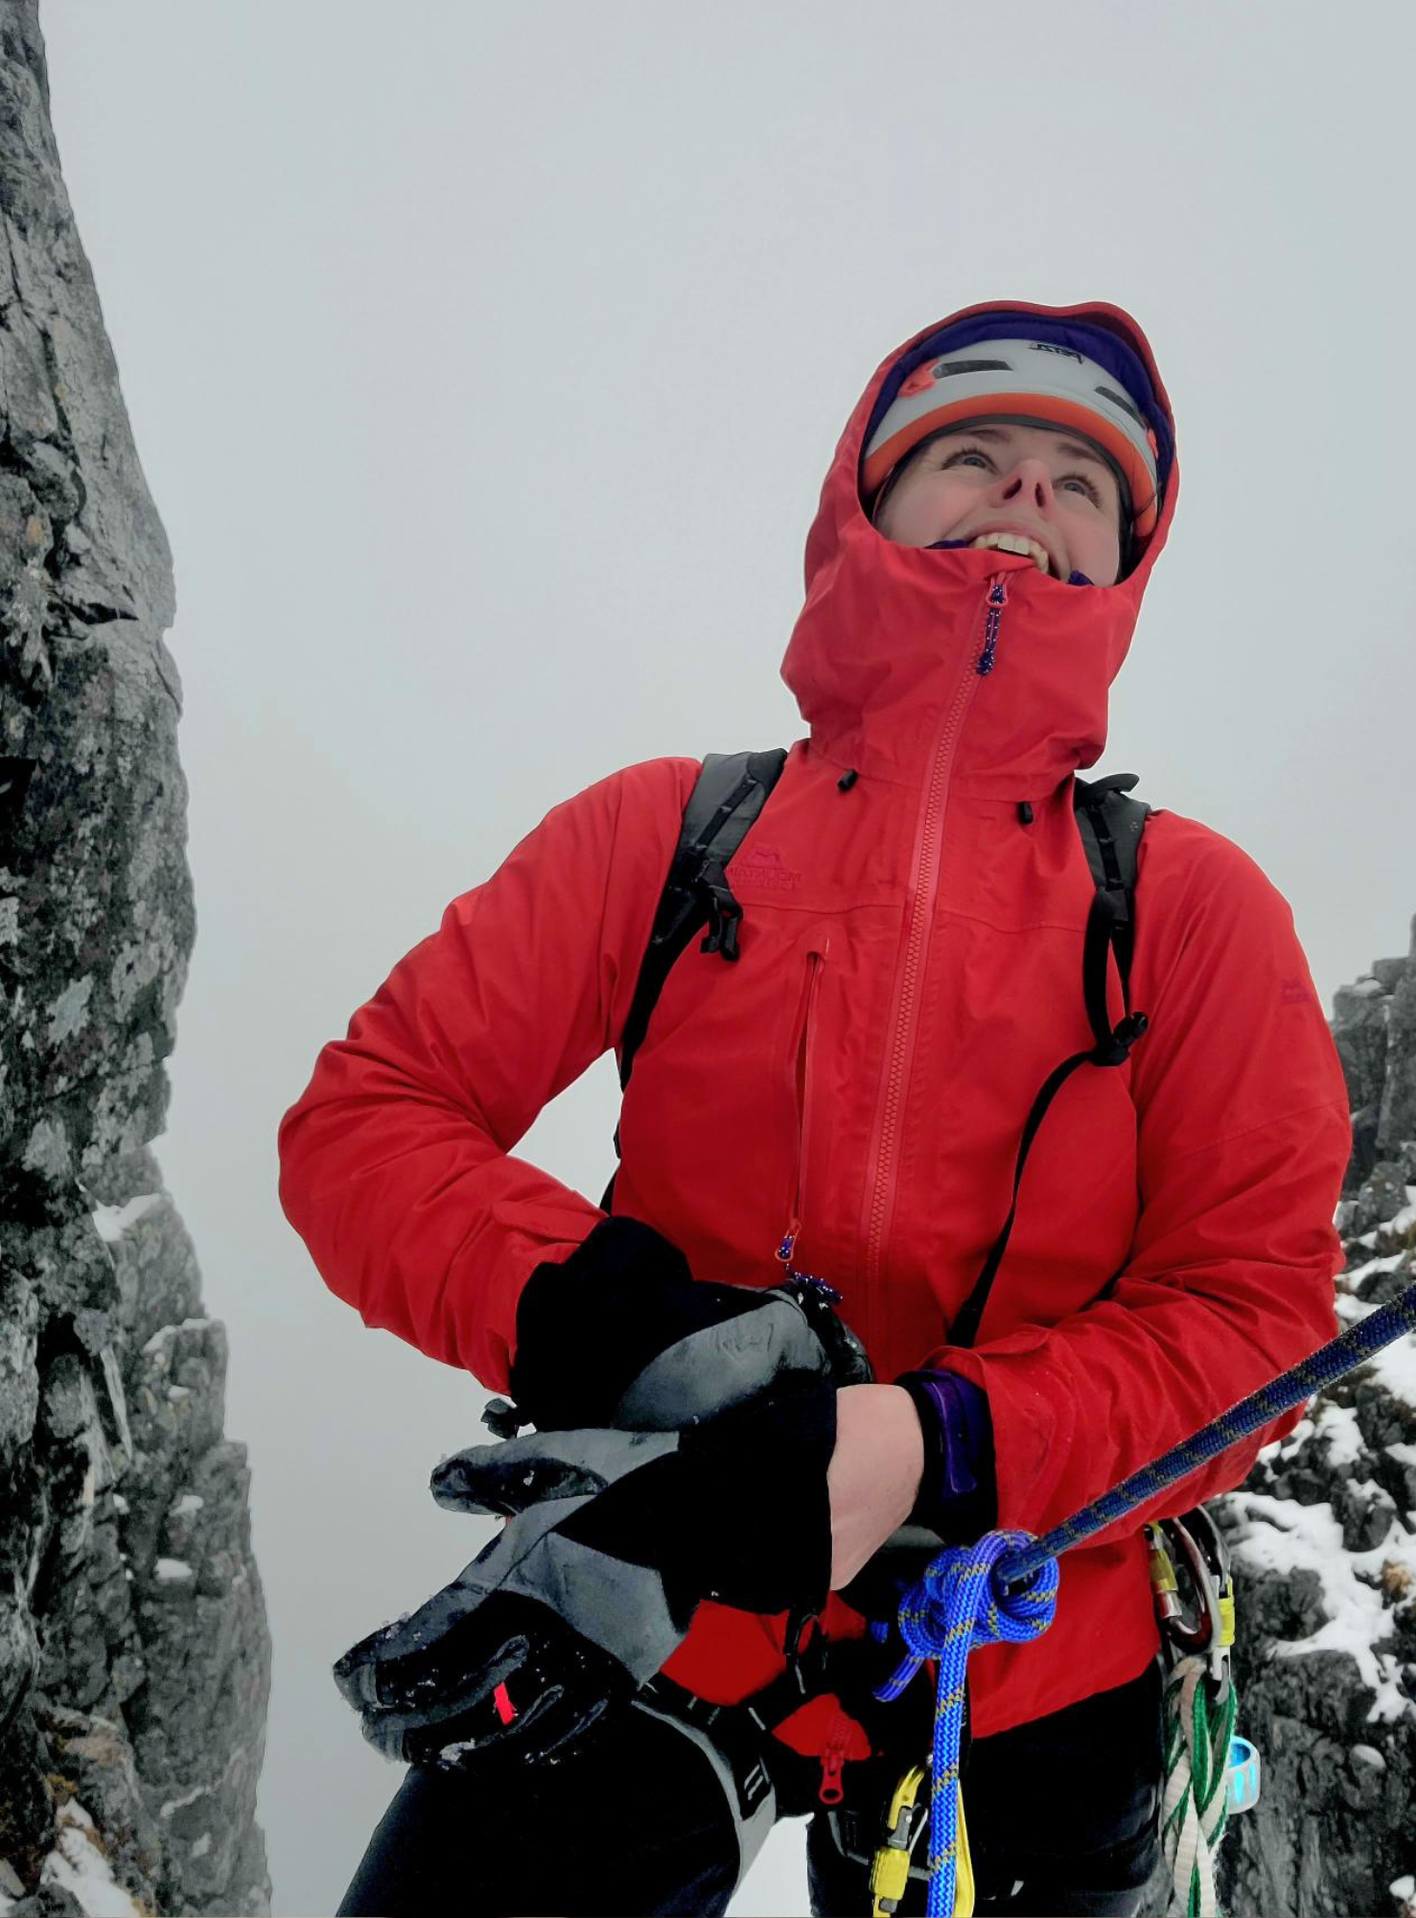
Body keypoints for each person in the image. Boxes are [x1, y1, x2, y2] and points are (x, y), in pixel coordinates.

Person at [277, 298, 1354, 1917]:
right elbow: (368, 1118)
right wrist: (597, 1318)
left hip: (1029, 1648)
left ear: (1125, 557)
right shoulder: (669, 832)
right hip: (664, 1574)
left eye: (1078, 483)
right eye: (971, 454)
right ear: (866, 499)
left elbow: (1255, 1312)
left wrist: (936, 1442)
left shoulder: (1188, 910)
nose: (1020, 497)